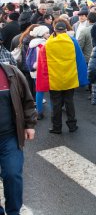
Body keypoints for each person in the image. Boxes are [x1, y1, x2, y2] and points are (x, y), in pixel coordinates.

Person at [36, 21, 88, 134]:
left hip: (54, 80)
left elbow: (43, 65)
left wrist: (42, 83)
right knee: (69, 102)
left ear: (54, 30)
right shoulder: (73, 41)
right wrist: (82, 78)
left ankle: (56, 127)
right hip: (70, 78)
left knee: (56, 104)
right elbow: (80, 60)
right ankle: (72, 125)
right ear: (65, 30)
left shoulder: (47, 44)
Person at [0, 62, 37, 215]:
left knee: (12, 174)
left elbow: (27, 100)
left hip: (9, 136)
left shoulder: (11, 72)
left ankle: (14, 211)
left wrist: (29, 124)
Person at [25, 25, 50, 120]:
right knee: (46, 91)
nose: (49, 34)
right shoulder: (43, 44)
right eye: (47, 33)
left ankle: (39, 111)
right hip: (41, 70)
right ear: (41, 34)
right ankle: (42, 111)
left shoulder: (32, 43)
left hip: (34, 71)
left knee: (38, 90)